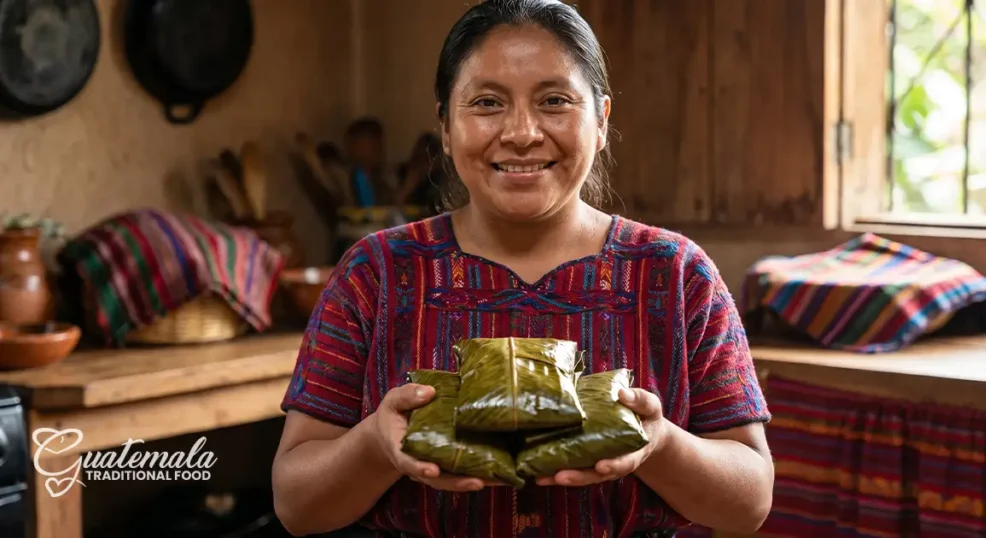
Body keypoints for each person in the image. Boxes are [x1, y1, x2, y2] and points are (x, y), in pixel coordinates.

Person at [271, 0, 774, 536]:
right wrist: (375, 444)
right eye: (487, 102)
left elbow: (749, 502)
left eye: (554, 100)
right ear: (444, 126)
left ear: (601, 121)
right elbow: (296, 505)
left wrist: (660, 443)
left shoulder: (675, 274)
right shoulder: (375, 272)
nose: (521, 133)